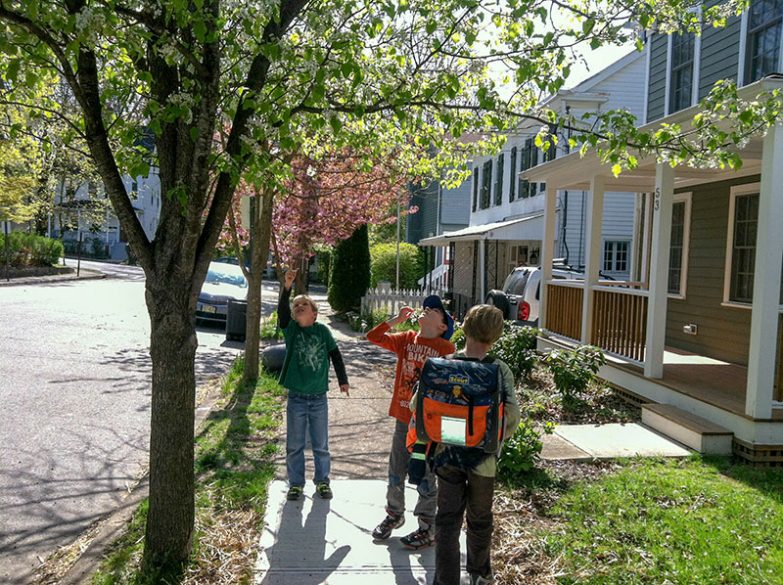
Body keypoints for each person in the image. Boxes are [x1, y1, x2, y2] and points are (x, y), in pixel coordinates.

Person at [431, 304, 520, 585]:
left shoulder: (446, 363)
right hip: (484, 457)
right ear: (495, 337)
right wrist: (492, 439)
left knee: (447, 520)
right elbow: (513, 417)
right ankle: (480, 574)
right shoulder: (499, 370)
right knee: (480, 519)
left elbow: (418, 406)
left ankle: (446, 580)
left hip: (448, 454)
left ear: (465, 328)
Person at [366, 294, 455, 550]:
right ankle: (395, 514)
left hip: (428, 425)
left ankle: (427, 525)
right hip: (404, 419)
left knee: (426, 474)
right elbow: (373, 337)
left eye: (435, 310)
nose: (427, 309)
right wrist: (396, 320)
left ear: (442, 327)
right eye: (426, 307)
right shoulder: (406, 340)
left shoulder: (445, 349)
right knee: (396, 469)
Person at [278, 269, 349, 502]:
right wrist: (287, 288)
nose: (298, 306)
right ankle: (296, 484)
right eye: (296, 305)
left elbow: (335, 355)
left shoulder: (323, 331)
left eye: (304, 305)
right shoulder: (292, 331)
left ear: (314, 314)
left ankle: (322, 481)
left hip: (319, 398)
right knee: (295, 445)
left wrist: (343, 380)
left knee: (321, 445)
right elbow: (282, 315)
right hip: (296, 398)